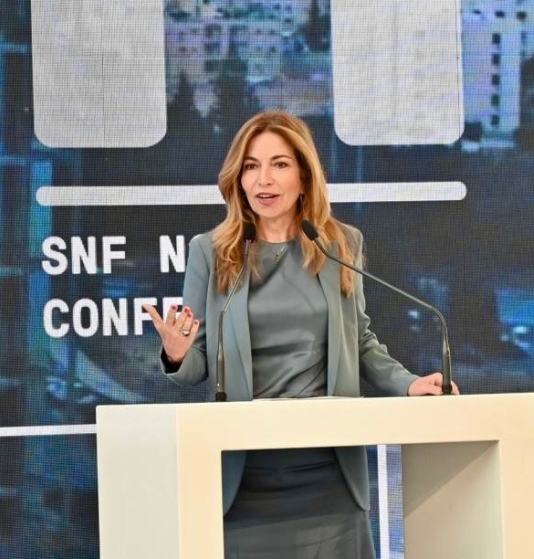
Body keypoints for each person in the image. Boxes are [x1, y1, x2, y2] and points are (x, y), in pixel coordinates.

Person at [144, 110, 458, 559]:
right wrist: (176, 353)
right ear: (238, 179)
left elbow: (360, 340)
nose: (263, 180)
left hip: (329, 473)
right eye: (251, 166)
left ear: (304, 176)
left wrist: (408, 384)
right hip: (245, 477)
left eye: (279, 164)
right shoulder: (211, 252)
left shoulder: (341, 244)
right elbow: (197, 364)